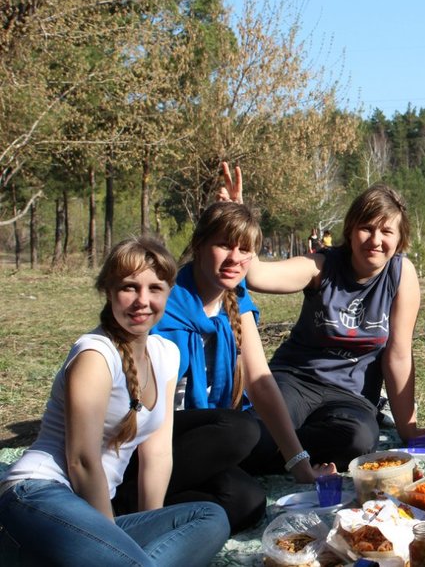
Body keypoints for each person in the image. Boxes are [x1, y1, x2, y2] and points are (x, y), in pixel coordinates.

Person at [0, 237, 230, 566]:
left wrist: (140, 532)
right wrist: (112, 541)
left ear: (169, 292)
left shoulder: (166, 354)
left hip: (91, 514)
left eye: (155, 288)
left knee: (211, 517)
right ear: (109, 292)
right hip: (40, 493)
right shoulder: (96, 354)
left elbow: (159, 453)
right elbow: (82, 462)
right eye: (129, 287)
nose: (142, 300)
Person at [113, 198, 334, 534]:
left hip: (196, 444)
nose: (235, 258)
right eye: (224, 245)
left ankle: (142, 504)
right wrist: (151, 520)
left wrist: (300, 464)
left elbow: (260, 382)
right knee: (240, 430)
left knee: (246, 503)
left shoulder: (236, 298)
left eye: (245, 249)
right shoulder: (164, 304)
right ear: (199, 246)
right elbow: (145, 414)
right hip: (143, 442)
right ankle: (133, 504)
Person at [240, 181, 425, 472]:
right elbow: (257, 276)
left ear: (399, 239)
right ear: (350, 230)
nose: (375, 239)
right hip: (296, 380)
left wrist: (408, 429)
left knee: (359, 441)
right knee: (256, 430)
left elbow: (397, 355)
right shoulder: (322, 266)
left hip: (352, 396)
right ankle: (284, 453)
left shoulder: (401, 274)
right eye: (366, 228)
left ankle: (277, 451)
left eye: (386, 231)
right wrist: (240, 224)